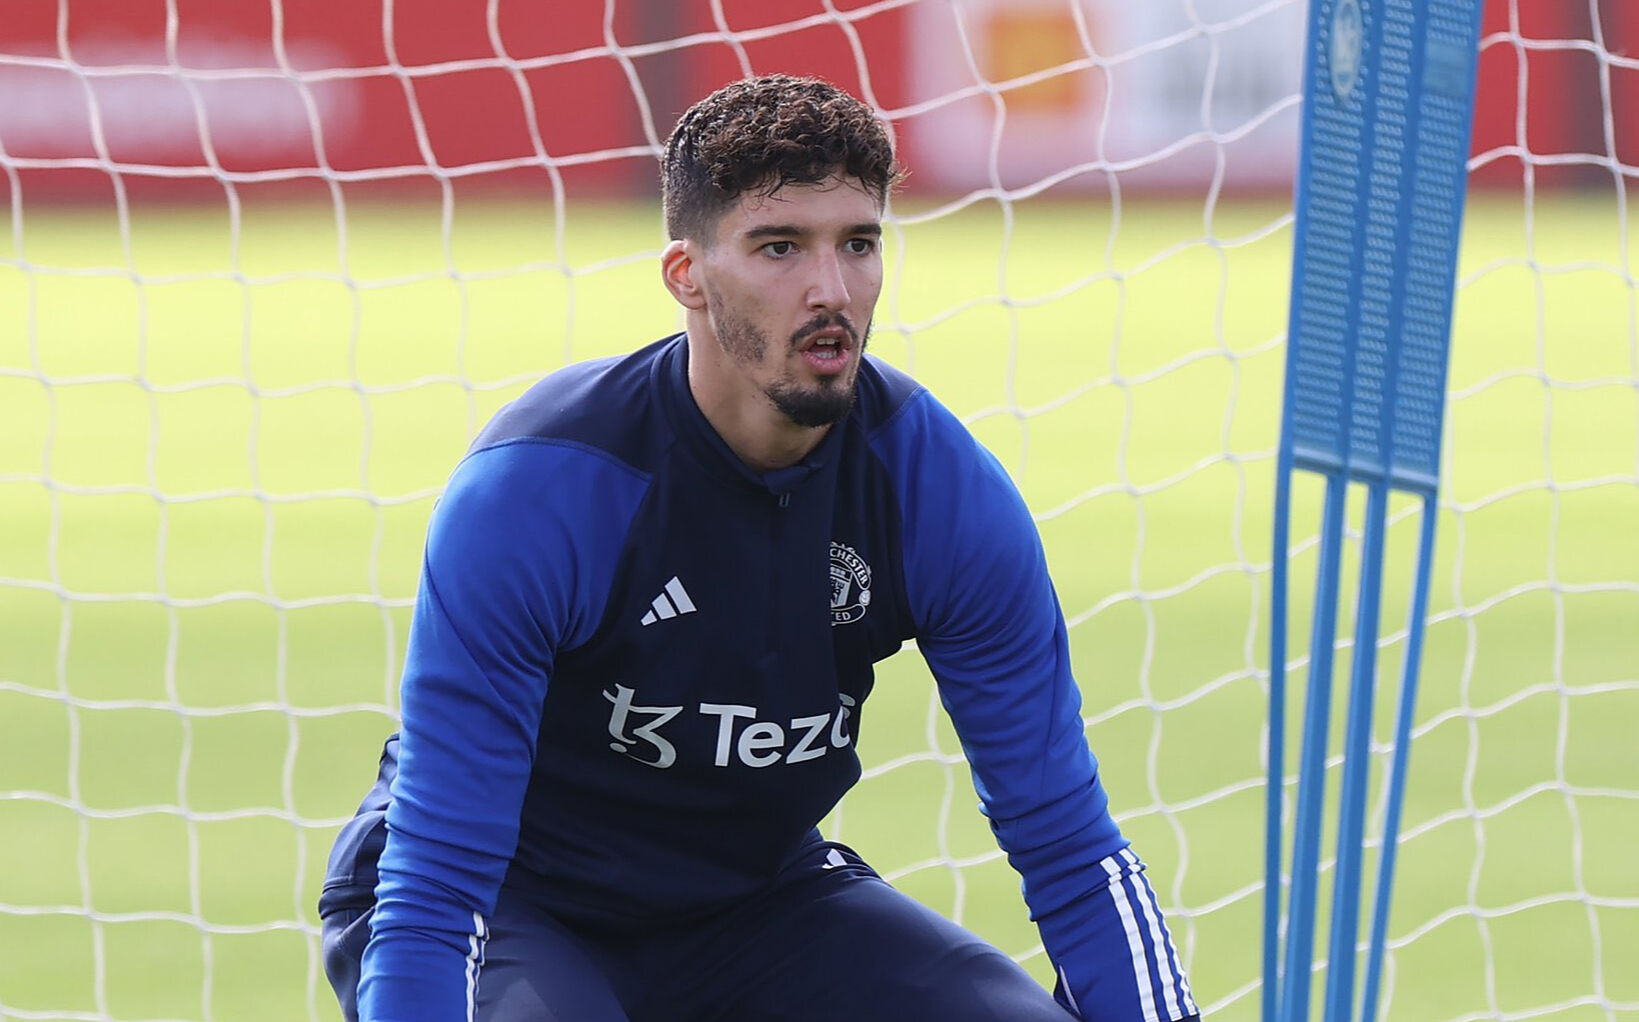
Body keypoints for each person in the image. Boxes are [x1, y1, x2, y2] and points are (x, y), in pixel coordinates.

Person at [319, 73, 1200, 1022]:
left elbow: (1067, 842)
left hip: (755, 905)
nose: (831, 289)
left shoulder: (936, 493)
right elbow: (436, 883)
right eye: (780, 247)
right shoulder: (543, 490)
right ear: (686, 276)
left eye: (857, 244)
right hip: (508, 904)